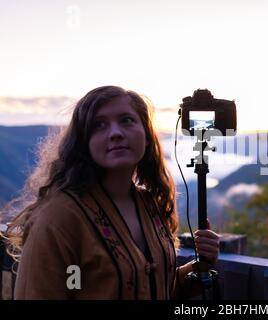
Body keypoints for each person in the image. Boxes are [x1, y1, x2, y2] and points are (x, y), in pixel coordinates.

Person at [3, 85, 220, 299]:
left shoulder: (150, 205)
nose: (115, 133)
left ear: (145, 134)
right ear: (83, 143)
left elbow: (157, 288)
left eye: (126, 120)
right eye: (99, 125)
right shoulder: (60, 218)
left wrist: (200, 265)